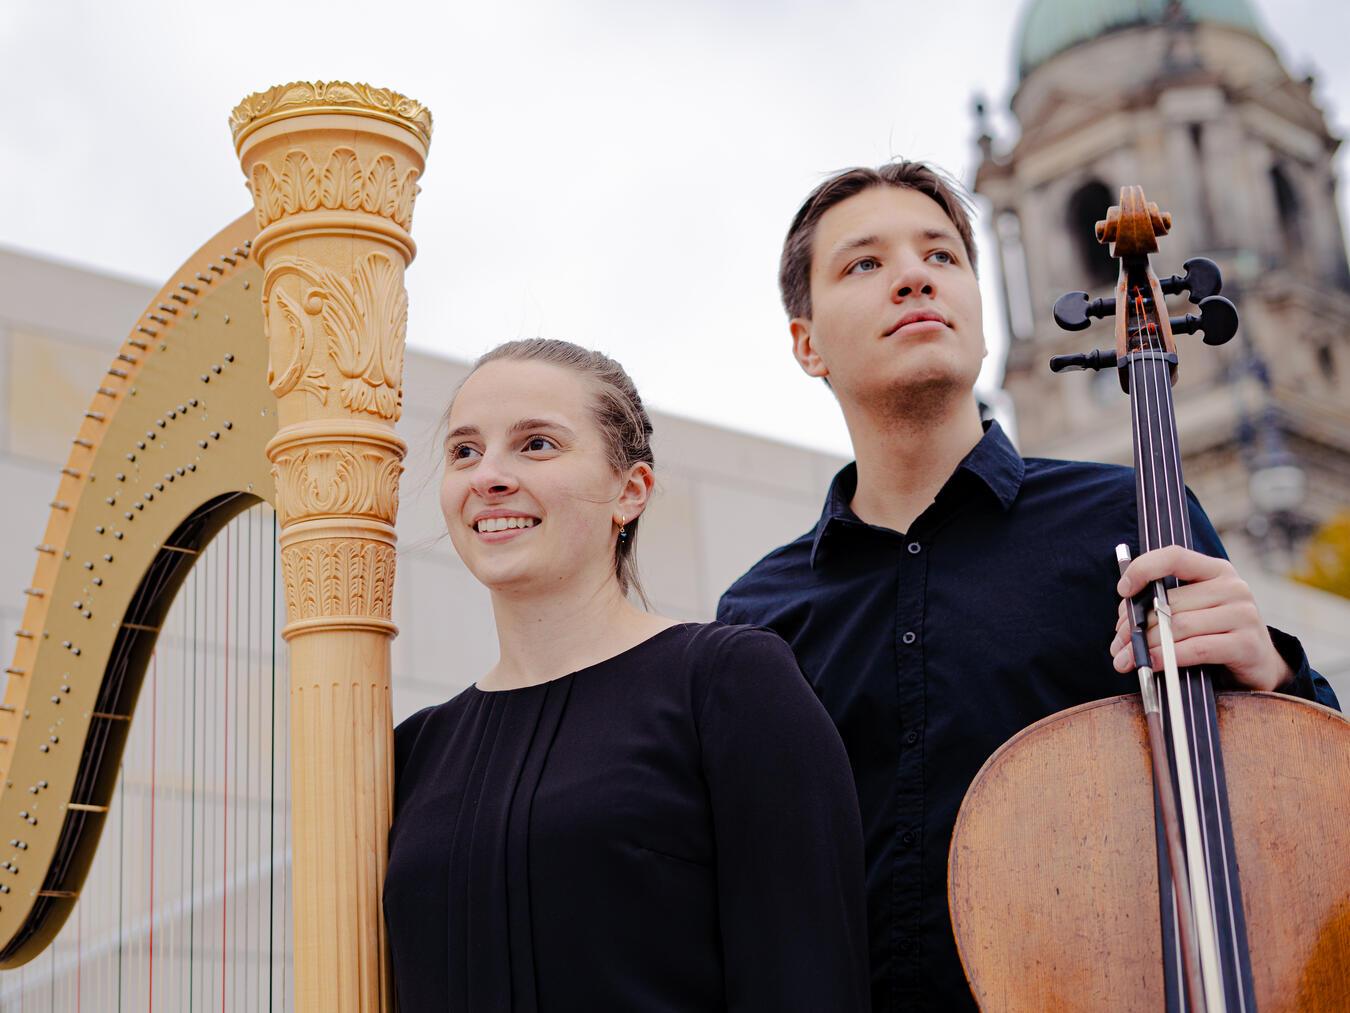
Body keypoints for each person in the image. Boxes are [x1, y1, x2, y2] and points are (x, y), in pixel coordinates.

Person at [716, 161, 1340, 1012]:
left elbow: (1294, 823)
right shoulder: (758, 616)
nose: (913, 275)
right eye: (864, 264)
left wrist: (1273, 674)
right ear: (808, 344)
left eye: (942, 255)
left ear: (977, 322)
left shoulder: (1127, 520)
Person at [382, 338, 870, 1012]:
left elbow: (809, 980)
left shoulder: (729, 684)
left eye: (537, 445)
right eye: (465, 450)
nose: (488, 474)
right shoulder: (415, 751)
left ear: (630, 491)